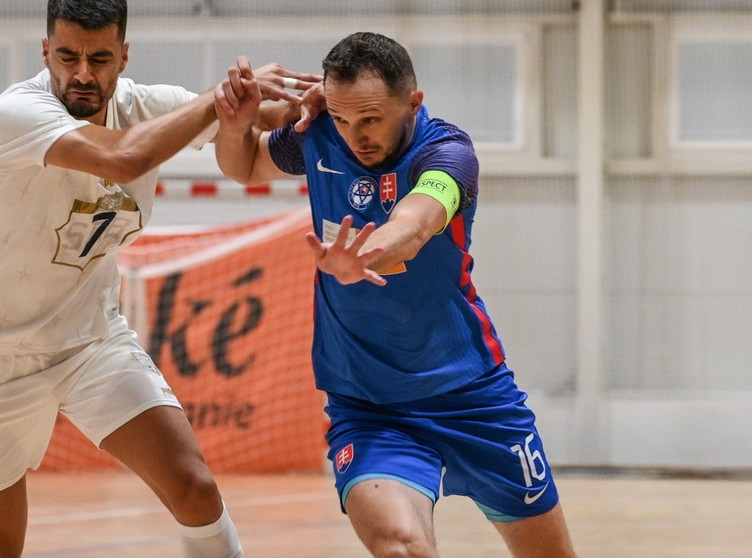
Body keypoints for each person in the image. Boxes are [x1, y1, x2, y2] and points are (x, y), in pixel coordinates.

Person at [0, 1, 319, 557]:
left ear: (123, 57)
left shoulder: (145, 106)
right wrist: (220, 97)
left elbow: (253, 124)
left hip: (89, 341)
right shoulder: (18, 111)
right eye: (67, 56)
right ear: (46, 52)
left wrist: (312, 107)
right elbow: (126, 159)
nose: (82, 73)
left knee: (194, 488)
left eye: (99, 58)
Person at [213, 32, 577, 557]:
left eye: (370, 119)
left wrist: (362, 256)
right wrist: (235, 123)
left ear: (413, 102)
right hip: (368, 404)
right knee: (401, 547)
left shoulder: (448, 153)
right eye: (341, 117)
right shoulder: (320, 136)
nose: (354, 134)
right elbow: (244, 165)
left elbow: (414, 223)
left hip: (471, 394)